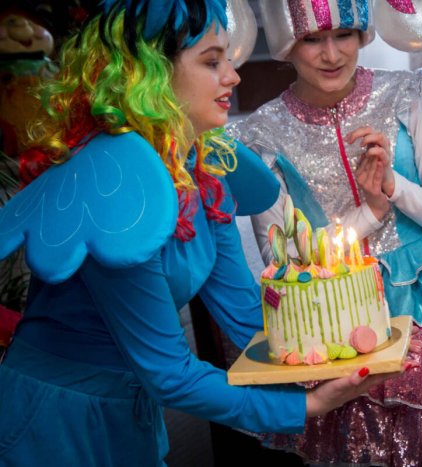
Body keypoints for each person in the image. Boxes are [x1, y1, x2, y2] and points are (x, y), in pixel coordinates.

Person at [0, 1, 397, 465]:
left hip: (132, 409)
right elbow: (169, 374)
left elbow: (246, 314)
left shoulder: (206, 171)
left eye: (227, 59)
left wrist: (333, 358)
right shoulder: (117, 183)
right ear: (149, 74)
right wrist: (306, 406)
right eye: (212, 62)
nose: (233, 76)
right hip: (54, 418)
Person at [227, 2, 422, 465]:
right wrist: (370, 213)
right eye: (312, 39)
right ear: (287, 43)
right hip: (329, 329)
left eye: (344, 34)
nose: (332, 54)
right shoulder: (264, 131)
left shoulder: (406, 94)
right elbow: (278, 255)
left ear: (363, 33)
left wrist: (393, 185)